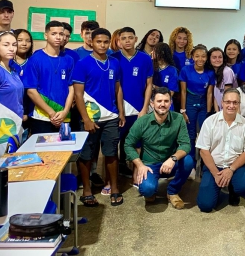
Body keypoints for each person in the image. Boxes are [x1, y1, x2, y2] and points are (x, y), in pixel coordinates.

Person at [73, 28, 126, 207]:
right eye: (98, 42)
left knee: (111, 153)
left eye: (105, 42)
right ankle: (87, 190)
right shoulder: (82, 64)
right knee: (87, 155)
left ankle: (114, 188)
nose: (102, 45)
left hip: (111, 117)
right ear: (91, 42)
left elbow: (118, 89)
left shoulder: (115, 63)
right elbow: (78, 95)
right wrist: (86, 119)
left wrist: (121, 112)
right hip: (90, 117)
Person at [125, 87, 193, 209]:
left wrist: (173, 159)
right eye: (159, 101)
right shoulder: (142, 122)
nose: (163, 104)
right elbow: (128, 144)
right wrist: (140, 165)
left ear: (170, 103)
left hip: (170, 163)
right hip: (149, 165)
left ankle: (172, 191)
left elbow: (185, 144)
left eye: (166, 101)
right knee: (148, 190)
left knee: (188, 161)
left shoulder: (178, 119)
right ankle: (151, 189)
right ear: (152, 103)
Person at [196, 88, 245, 212]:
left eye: (235, 102)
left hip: (235, 166)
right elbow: (204, 151)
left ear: (239, 104)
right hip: (214, 166)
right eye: (228, 102)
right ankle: (217, 188)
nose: (231, 105)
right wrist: (216, 174)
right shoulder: (209, 122)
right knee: (205, 206)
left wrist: (231, 169)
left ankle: (233, 189)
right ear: (222, 103)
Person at [110, 27, 153, 179]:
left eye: (130, 37)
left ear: (135, 39)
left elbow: (149, 85)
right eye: (123, 38)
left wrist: (144, 108)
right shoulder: (113, 58)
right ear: (119, 41)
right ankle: (114, 174)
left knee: (137, 142)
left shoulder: (145, 58)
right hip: (118, 108)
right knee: (115, 142)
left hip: (138, 108)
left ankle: (138, 174)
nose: (127, 41)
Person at [22, 21, 75, 135]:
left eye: (61, 34)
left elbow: (71, 88)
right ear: (46, 35)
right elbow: (31, 91)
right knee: (43, 152)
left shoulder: (69, 59)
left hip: (64, 116)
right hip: (42, 117)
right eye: (54, 33)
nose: (58, 37)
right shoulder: (35, 59)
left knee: (63, 151)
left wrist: (65, 111)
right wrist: (51, 113)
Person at [179, 44, 215, 179]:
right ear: (192, 57)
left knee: (205, 136)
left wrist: (209, 111)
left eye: (203, 56)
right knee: (191, 135)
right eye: (197, 56)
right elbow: (182, 91)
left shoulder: (210, 73)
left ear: (207, 58)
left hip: (204, 104)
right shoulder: (185, 70)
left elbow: (210, 93)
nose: (200, 59)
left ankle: (206, 166)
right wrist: (183, 110)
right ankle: (191, 166)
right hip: (189, 103)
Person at [13, 29, 34, 131]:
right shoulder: (6, 63)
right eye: (20, 40)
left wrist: (26, 112)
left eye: (28, 41)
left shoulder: (34, 61)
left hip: (31, 112)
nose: (24, 44)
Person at [207, 47, 235, 112]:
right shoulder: (212, 72)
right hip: (219, 109)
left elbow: (228, 94)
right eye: (214, 57)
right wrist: (217, 112)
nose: (217, 60)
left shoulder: (227, 71)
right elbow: (216, 95)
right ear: (209, 59)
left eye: (220, 57)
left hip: (229, 108)